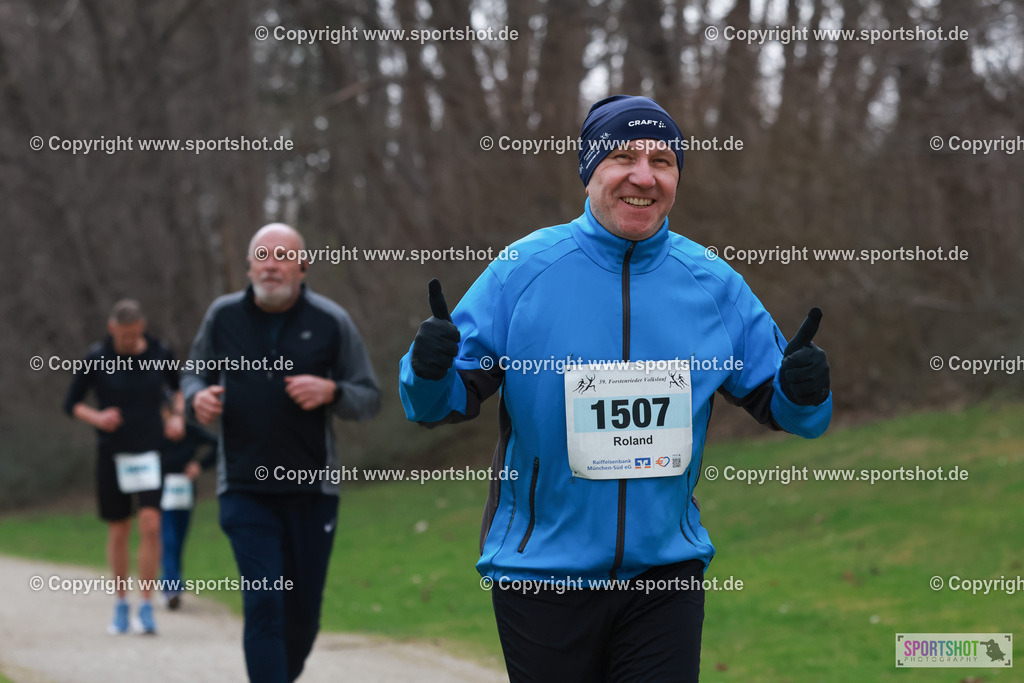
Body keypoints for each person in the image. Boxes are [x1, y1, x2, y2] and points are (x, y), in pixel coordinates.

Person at [399, 95, 832, 681]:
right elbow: (438, 405)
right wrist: (426, 371)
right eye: (623, 156)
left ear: (677, 177)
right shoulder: (521, 271)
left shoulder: (713, 284)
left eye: (663, 160)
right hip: (543, 575)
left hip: (665, 576)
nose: (643, 176)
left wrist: (806, 391)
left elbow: (791, 412)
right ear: (588, 172)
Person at [182, 223, 381, 683]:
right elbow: (192, 375)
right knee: (265, 601)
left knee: (302, 616)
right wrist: (197, 399)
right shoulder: (222, 316)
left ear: (303, 266)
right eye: (261, 256)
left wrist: (331, 390)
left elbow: (368, 397)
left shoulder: (332, 321)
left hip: (313, 492)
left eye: (282, 256)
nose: (271, 265)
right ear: (249, 265)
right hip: (244, 489)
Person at [64, 298, 184, 635]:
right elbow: (71, 403)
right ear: (111, 328)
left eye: (134, 336)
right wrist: (97, 417)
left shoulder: (160, 352)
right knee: (119, 530)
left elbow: (178, 390)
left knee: (150, 524)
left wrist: (177, 416)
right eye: (123, 336)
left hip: (150, 453)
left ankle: (146, 605)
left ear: (141, 328)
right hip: (113, 454)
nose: (129, 343)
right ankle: (120, 602)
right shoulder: (98, 357)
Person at [158, 420, 217, 610]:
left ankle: (169, 582)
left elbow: (218, 445)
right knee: (169, 539)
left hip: (185, 492)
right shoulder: (155, 429)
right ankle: (172, 588)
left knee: (179, 540)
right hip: (160, 492)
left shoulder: (192, 431)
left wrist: (200, 465)